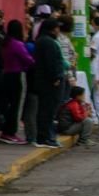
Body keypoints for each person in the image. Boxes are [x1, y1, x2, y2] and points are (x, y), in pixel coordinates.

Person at [0, 20, 34, 144]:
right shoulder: (18, 44)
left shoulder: (5, 43)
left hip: (6, 74)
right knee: (16, 105)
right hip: (17, 75)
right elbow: (28, 60)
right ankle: (11, 132)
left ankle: (6, 131)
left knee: (8, 105)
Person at [33, 19, 66, 148]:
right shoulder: (48, 42)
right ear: (52, 29)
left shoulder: (43, 40)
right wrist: (56, 78)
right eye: (57, 28)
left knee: (46, 110)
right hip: (49, 83)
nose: (58, 30)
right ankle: (45, 137)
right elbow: (51, 63)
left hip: (44, 81)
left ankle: (45, 136)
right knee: (48, 110)